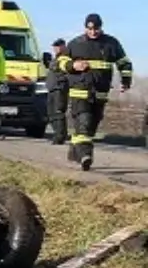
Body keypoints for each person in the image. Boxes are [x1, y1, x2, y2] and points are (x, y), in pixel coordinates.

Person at [57, 12, 133, 170]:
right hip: (79, 93)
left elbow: (124, 63)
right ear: (85, 28)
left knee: (90, 128)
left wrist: (126, 81)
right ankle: (86, 156)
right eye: (89, 28)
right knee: (84, 123)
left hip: (100, 94)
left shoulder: (111, 43)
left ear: (101, 27)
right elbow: (61, 61)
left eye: (96, 28)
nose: (93, 31)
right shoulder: (76, 43)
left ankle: (74, 150)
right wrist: (73, 66)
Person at [45, 37, 69, 144]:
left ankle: (60, 136)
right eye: (55, 47)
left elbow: (67, 73)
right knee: (51, 113)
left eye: (58, 46)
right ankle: (57, 133)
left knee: (58, 112)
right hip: (52, 88)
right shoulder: (56, 58)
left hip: (59, 89)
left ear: (63, 46)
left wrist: (61, 82)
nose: (56, 48)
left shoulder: (66, 59)